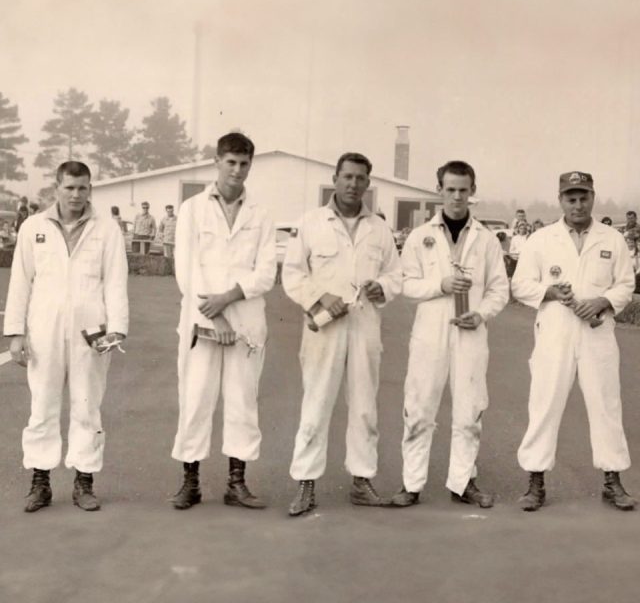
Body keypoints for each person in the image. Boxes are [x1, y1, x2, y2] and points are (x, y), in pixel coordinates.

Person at [3, 161, 128, 512]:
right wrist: (15, 333)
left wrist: (117, 327)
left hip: (93, 331)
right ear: (56, 187)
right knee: (42, 405)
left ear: (91, 189)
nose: (76, 195)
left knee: (87, 405)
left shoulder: (107, 229)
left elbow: (116, 281)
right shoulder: (33, 227)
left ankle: (84, 482)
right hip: (44, 329)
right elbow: (20, 282)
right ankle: (40, 482)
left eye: (83, 188)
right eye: (70, 187)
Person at [283, 152, 402, 516]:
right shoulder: (311, 223)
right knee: (316, 403)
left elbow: (396, 274)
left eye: (360, 178)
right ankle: (306, 483)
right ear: (335, 178)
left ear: (368, 182)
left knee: (365, 405)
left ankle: (362, 480)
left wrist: (383, 287)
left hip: (365, 325)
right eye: (347, 177)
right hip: (324, 326)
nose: (353, 184)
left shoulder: (380, 228)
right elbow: (292, 274)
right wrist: (321, 297)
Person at [512, 171, 636, 512]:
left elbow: (626, 284)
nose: (577, 204)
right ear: (560, 200)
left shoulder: (612, 239)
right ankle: (535, 481)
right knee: (544, 404)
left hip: (597, 333)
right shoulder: (541, 239)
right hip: (554, 333)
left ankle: (613, 481)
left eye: (583, 197)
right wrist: (548, 292)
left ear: (593, 197)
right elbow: (520, 284)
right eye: (571, 198)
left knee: (606, 406)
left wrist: (604, 301)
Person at [390, 160, 509, 509]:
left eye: (463, 189)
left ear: (473, 191)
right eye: (450, 189)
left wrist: (481, 313)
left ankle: (462, 482)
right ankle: (411, 484)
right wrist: (440, 285)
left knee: (470, 409)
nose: (457, 196)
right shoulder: (420, 236)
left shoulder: (486, 239)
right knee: (419, 407)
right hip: (430, 332)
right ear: (439, 189)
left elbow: (499, 290)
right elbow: (405, 284)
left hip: (471, 332)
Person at [170, 132, 276, 510]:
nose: (237, 170)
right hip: (201, 320)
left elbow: (266, 272)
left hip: (245, 321)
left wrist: (229, 298)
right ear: (216, 161)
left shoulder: (261, 214)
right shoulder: (192, 209)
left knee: (243, 401)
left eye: (244, 163)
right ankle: (190, 482)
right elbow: (186, 271)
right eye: (230, 162)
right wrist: (215, 315)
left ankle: (236, 484)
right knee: (196, 398)